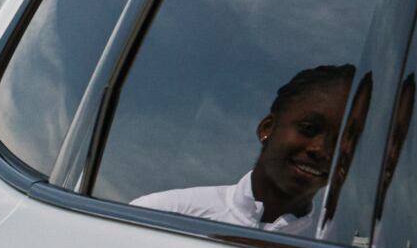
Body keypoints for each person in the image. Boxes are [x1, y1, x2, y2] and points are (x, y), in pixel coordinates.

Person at [130, 63, 354, 233]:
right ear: (267, 128)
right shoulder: (162, 215)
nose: (321, 150)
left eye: (340, 142)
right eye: (308, 128)